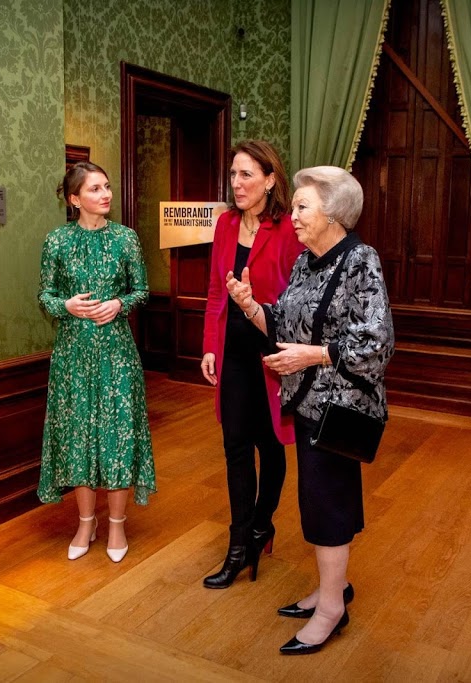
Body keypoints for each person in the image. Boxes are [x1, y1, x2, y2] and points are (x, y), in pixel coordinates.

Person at [226, 166, 394, 654]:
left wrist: (314, 355)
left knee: (328, 505)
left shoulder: (360, 260)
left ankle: (331, 609)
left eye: (302, 206)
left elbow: (377, 342)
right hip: (308, 404)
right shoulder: (306, 262)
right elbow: (284, 324)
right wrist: (250, 306)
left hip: (340, 410)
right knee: (320, 502)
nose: (293, 215)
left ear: (334, 213)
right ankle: (331, 589)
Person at [37, 161, 156, 563]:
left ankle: (117, 525)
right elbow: (45, 295)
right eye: (94, 189)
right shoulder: (57, 241)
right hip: (72, 355)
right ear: (75, 199)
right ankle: (86, 522)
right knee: (78, 439)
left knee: (117, 436)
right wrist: (66, 306)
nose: (105, 194)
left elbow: (142, 290)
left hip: (117, 355)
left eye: (106, 186)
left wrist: (120, 303)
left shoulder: (125, 239)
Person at [200, 140, 305, 589]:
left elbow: (298, 300)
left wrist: (257, 306)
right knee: (236, 448)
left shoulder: (288, 230)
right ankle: (239, 544)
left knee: (272, 446)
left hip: (272, 354)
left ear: (270, 180)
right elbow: (214, 291)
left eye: (246, 174)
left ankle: (262, 524)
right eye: (233, 174)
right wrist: (210, 345)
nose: (237, 183)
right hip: (233, 355)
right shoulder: (225, 224)